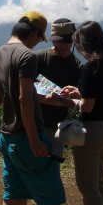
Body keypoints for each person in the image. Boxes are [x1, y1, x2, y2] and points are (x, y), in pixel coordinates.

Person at [0, 11, 66, 205]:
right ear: (34, 34)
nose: (37, 44)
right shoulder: (27, 56)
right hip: (26, 136)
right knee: (50, 198)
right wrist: (34, 139)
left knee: (13, 195)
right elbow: (24, 100)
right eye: (40, 39)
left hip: (6, 136)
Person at [62, 21, 103, 205]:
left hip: (91, 132)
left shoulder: (88, 67)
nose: (77, 48)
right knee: (99, 183)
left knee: (88, 187)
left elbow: (87, 107)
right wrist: (78, 91)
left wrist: (65, 101)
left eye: (78, 43)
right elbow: (97, 95)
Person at [36, 18, 82, 157]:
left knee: (51, 165)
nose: (62, 45)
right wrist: (49, 100)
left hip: (56, 126)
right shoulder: (40, 58)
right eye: (58, 41)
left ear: (73, 40)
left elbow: (78, 94)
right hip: (32, 123)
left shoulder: (76, 65)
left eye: (67, 41)